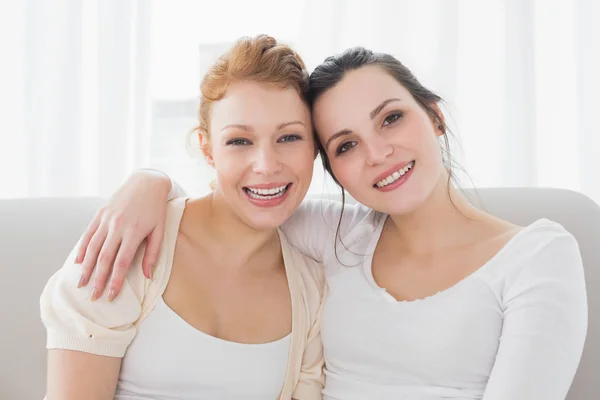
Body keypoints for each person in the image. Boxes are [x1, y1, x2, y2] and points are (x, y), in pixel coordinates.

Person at [74, 46, 588, 399]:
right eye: (345, 145)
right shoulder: (336, 236)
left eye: (391, 118)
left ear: (434, 117)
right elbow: (240, 204)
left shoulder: (537, 256)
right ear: (331, 168)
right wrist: (151, 181)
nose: (378, 153)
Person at [40, 35, 327, 400]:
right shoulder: (130, 241)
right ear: (207, 149)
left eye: (289, 137)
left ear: (314, 148)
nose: (267, 166)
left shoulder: (311, 289)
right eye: (240, 141)